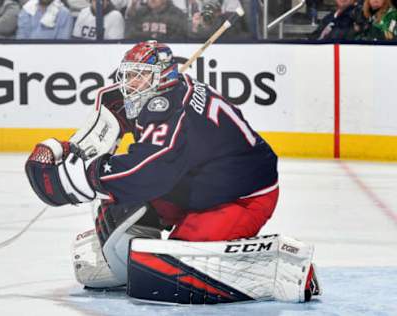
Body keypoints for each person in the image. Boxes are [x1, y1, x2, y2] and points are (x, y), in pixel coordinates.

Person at [25, 40, 322, 304]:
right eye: (129, 74)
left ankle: (274, 266)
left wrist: (82, 179)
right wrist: (84, 145)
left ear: (163, 75)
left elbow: (147, 172)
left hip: (242, 197)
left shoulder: (175, 111)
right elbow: (139, 137)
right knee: (120, 207)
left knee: (174, 268)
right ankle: (135, 260)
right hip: (199, 184)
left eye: (139, 75)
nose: (131, 83)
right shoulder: (168, 94)